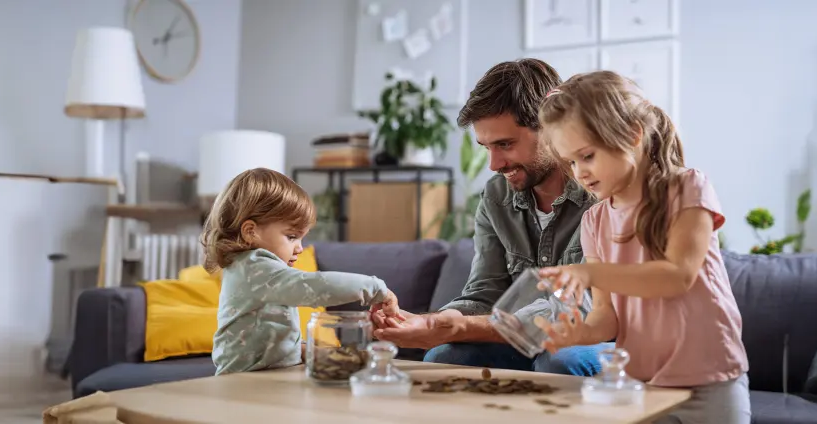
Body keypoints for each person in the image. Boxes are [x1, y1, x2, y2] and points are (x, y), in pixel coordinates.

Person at [369, 59, 613, 376]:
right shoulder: (496, 197)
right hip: (517, 338)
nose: (494, 164)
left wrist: (446, 326)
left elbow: (581, 311)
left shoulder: (601, 195)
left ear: (553, 128)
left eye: (505, 144)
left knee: (559, 361)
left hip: (595, 335)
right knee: (445, 357)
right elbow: (485, 293)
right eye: (485, 147)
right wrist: (427, 322)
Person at [535, 71, 752, 423]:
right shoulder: (594, 222)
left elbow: (676, 276)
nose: (580, 173)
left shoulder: (687, 189)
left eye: (587, 155)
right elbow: (607, 317)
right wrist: (582, 333)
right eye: (571, 162)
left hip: (713, 381)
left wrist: (590, 272)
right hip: (642, 386)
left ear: (632, 135)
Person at [204, 168, 402, 375]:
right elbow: (313, 286)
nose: (299, 248)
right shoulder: (254, 267)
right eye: (291, 237)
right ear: (250, 231)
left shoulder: (255, 271)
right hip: (242, 382)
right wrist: (376, 288)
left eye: (301, 238)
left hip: (267, 377)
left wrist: (304, 350)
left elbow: (267, 334)